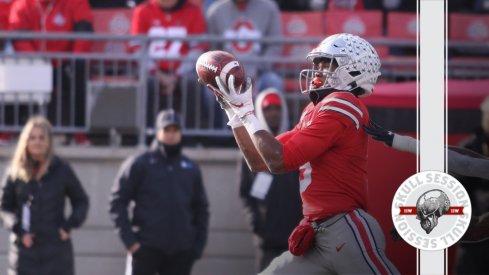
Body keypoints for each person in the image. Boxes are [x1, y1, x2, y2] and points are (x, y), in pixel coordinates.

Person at [206, 33, 399, 274]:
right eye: (317, 64)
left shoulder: (343, 103)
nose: (317, 71)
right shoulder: (315, 109)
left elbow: (278, 161)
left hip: (345, 228)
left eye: (326, 64)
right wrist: (233, 111)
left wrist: (247, 112)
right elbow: (259, 160)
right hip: (316, 234)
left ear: (354, 70)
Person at [109, 109, 210, 275]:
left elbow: (201, 209)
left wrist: (197, 247)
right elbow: (117, 201)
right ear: (158, 132)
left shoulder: (190, 167)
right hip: (146, 249)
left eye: (175, 130)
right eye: (166, 130)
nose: (171, 135)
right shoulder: (140, 164)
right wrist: (130, 242)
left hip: (181, 252)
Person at [0, 116, 89, 275]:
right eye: (32, 137)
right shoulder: (15, 172)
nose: (37, 142)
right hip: (24, 253)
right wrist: (18, 229)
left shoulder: (62, 169)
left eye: (42, 137)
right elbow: (4, 208)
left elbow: (81, 201)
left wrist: (68, 225)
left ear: (49, 141)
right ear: (25, 141)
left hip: (56, 252)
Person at [9, 0, 94, 145]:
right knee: (12, 75)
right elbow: (19, 39)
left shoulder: (76, 2)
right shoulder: (22, 4)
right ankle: (9, 131)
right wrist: (38, 63)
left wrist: (74, 59)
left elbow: (84, 33)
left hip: (64, 61)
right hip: (34, 62)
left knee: (80, 71)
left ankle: (79, 133)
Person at [239, 88, 302, 272]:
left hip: (297, 239)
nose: (273, 113)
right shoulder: (250, 148)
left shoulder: (296, 142)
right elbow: (245, 194)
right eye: (268, 109)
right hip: (267, 241)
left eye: (277, 108)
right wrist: (257, 226)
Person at [129, 0, 208, 129]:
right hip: (152, 70)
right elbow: (137, 48)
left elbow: (197, 49)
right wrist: (157, 73)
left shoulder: (193, 11)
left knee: (192, 83)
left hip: (183, 70)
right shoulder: (143, 11)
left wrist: (177, 76)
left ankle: (191, 134)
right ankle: (147, 133)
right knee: (148, 83)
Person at [206, 0, 284, 95]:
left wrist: (256, 69)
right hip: (226, 75)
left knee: (273, 82)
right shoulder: (215, 11)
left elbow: (275, 46)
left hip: (260, 73)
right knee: (209, 91)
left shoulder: (269, 8)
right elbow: (212, 50)